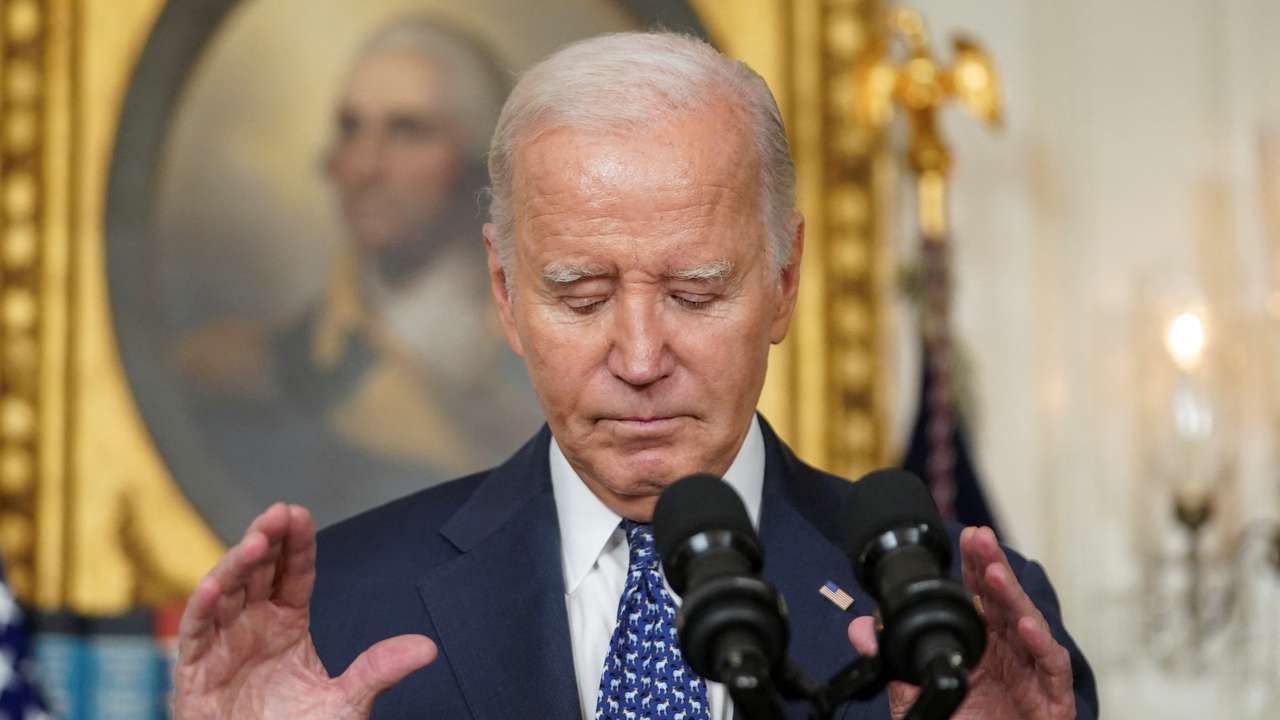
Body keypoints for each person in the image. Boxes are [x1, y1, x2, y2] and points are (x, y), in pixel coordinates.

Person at [171, 32, 1098, 720]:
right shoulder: (340, 611)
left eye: (696, 293)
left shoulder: (962, 627)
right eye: (580, 296)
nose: (643, 359)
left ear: (783, 284)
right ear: (504, 292)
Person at [175, 16, 543, 535]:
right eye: (351, 128)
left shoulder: (552, 358)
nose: (365, 165)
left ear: (478, 163)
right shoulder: (252, 373)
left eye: (408, 130)